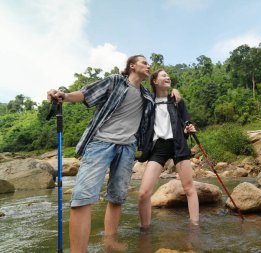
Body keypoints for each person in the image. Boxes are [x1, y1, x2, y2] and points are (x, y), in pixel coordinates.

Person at [47, 55, 181, 253]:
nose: (148, 65)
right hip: (101, 143)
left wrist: (175, 92)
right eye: (144, 62)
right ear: (132, 66)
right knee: (83, 197)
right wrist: (64, 96)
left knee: (117, 197)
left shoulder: (146, 95)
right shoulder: (115, 81)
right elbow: (86, 93)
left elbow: (162, 97)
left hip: (127, 148)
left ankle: (110, 241)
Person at [138, 69, 199, 230]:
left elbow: (186, 122)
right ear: (154, 81)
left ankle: (195, 227)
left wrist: (189, 128)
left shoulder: (177, 100)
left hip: (178, 144)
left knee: (189, 189)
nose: (168, 77)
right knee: (143, 193)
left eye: (168, 76)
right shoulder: (148, 101)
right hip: (158, 147)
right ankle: (144, 230)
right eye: (163, 75)